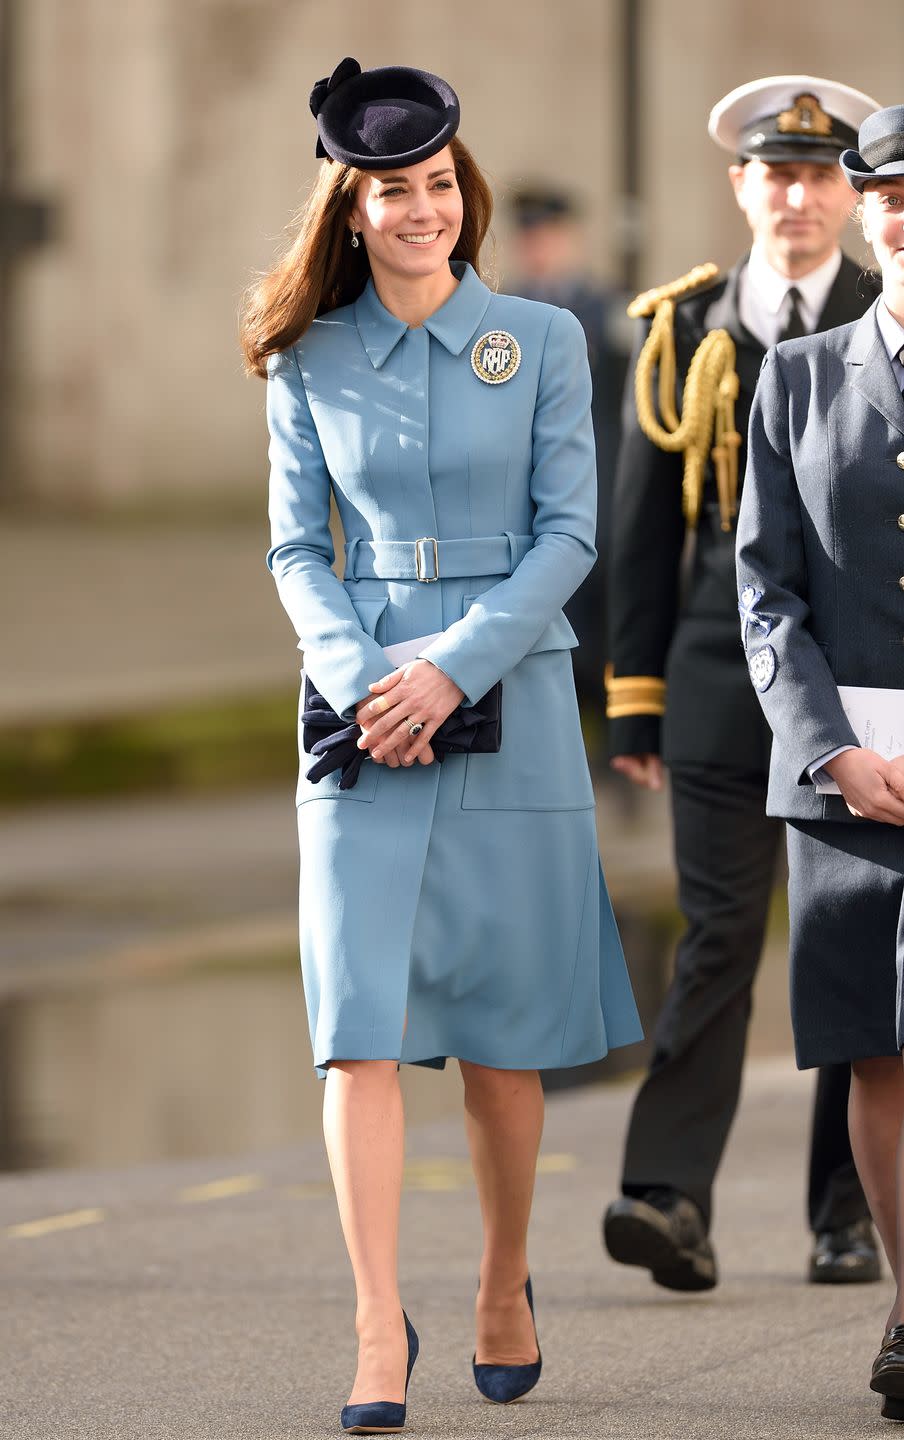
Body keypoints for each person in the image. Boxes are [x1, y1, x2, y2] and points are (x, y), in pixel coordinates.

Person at [240, 58, 641, 1433]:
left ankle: (505, 1282)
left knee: (500, 1040)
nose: (421, 212)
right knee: (356, 1031)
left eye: (437, 188)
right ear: (351, 210)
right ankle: (372, 1325)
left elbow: (571, 537)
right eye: (392, 194)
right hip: (354, 716)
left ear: (460, 193)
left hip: (511, 700)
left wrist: (452, 668)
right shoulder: (308, 356)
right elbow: (299, 548)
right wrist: (364, 679)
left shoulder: (537, 341)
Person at [602, 75, 881, 1292]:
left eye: (824, 175)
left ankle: (847, 1213)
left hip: (869, 685)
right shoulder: (681, 327)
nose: (800, 196)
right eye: (778, 173)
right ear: (741, 187)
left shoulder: (888, 305)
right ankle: (668, 1195)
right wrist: (634, 696)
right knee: (719, 935)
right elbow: (640, 527)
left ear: (852, 197)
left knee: (853, 948)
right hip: (721, 676)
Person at [736, 100, 904, 1425]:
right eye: (894, 195)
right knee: (873, 1052)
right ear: (869, 206)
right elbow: (765, 593)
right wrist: (830, 752)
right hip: (849, 783)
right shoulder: (794, 379)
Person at [507, 186, 629, 757]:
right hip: (530, 488)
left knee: (604, 613)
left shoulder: (608, 310)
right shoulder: (506, 312)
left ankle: (613, 746)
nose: (540, 249)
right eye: (530, 238)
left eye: (549, 236)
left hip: (601, 482)